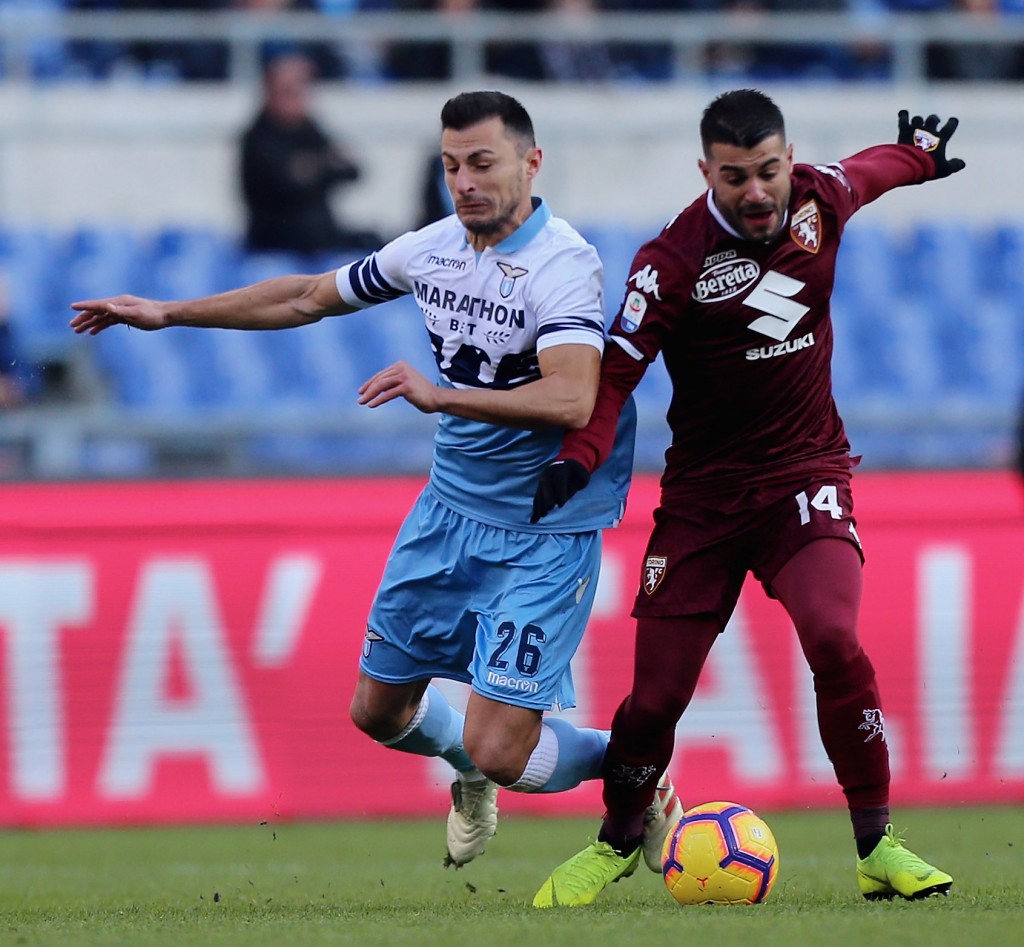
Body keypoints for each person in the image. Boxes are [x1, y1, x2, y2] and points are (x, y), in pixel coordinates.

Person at [69, 90, 680, 871]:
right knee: (378, 710)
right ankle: (465, 767)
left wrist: (440, 393)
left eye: (483, 163)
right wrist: (168, 312)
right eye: (452, 164)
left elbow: (572, 397)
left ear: (532, 163)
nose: (464, 181)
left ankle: (638, 771)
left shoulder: (564, 264)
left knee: (501, 745)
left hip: (542, 530)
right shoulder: (432, 248)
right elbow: (305, 295)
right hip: (449, 512)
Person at [529, 89, 963, 907]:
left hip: (805, 475)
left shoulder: (817, 199)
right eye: (735, 177)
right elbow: (615, 377)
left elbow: (867, 173)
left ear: (787, 159)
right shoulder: (668, 265)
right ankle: (619, 838)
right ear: (706, 173)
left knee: (835, 637)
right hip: (701, 500)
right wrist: (579, 455)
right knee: (655, 697)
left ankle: (879, 845)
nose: (758, 192)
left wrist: (920, 160)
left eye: (769, 170)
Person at [239, 51, 381, 256]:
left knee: (376, 245)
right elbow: (289, 181)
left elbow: (352, 170)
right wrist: (324, 166)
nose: (299, 98)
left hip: (319, 233)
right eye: (290, 91)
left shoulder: (310, 129)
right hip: (275, 239)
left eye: (302, 90)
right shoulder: (258, 137)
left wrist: (317, 167)